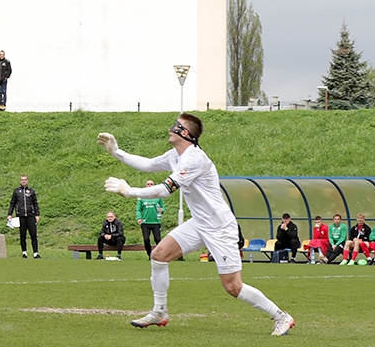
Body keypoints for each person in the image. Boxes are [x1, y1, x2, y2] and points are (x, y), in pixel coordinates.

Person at [97, 112, 295, 335]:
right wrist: (116, 152)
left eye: (176, 126)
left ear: (185, 133)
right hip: (200, 222)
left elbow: (166, 189)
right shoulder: (175, 155)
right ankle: (159, 312)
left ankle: (281, 316)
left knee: (232, 286)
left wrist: (129, 191)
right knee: (159, 255)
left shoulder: (194, 159)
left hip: (219, 226)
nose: (170, 129)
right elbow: (149, 164)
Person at [8, 175, 40, 258]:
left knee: (33, 234)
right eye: (22, 180)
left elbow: (35, 203)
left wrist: (37, 215)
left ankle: (35, 253)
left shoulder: (31, 191)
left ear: (27, 181)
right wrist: (10, 214)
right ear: (20, 181)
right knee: (22, 235)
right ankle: (24, 253)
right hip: (21, 216)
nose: (24, 181)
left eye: (25, 180)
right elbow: (12, 203)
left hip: (30, 215)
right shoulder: (16, 191)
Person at [136, 181, 164, 257]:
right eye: (148, 184)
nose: (150, 185)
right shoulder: (142, 197)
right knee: (146, 239)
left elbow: (162, 207)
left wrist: (162, 210)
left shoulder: (158, 197)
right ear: (146, 186)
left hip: (156, 222)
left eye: (151, 184)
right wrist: (139, 218)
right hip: (145, 222)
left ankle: (160, 254)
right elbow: (138, 209)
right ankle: (150, 254)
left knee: (158, 239)